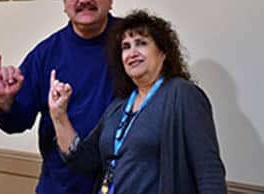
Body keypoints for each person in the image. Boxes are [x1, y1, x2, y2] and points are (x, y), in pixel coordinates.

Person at [49, 10, 228, 194]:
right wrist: (59, 114)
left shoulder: (182, 94)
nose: (132, 53)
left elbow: (209, 170)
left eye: (141, 43)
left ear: (163, 52)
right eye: (126, 47)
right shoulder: (119, 104)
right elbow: (84, 159)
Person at [0, 0, 118, 194]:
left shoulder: (132, 45)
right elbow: (16, 122)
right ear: (64, 2)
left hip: (123, 184)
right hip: (62, 185)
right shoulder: (46, 54)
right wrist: (4, 101)